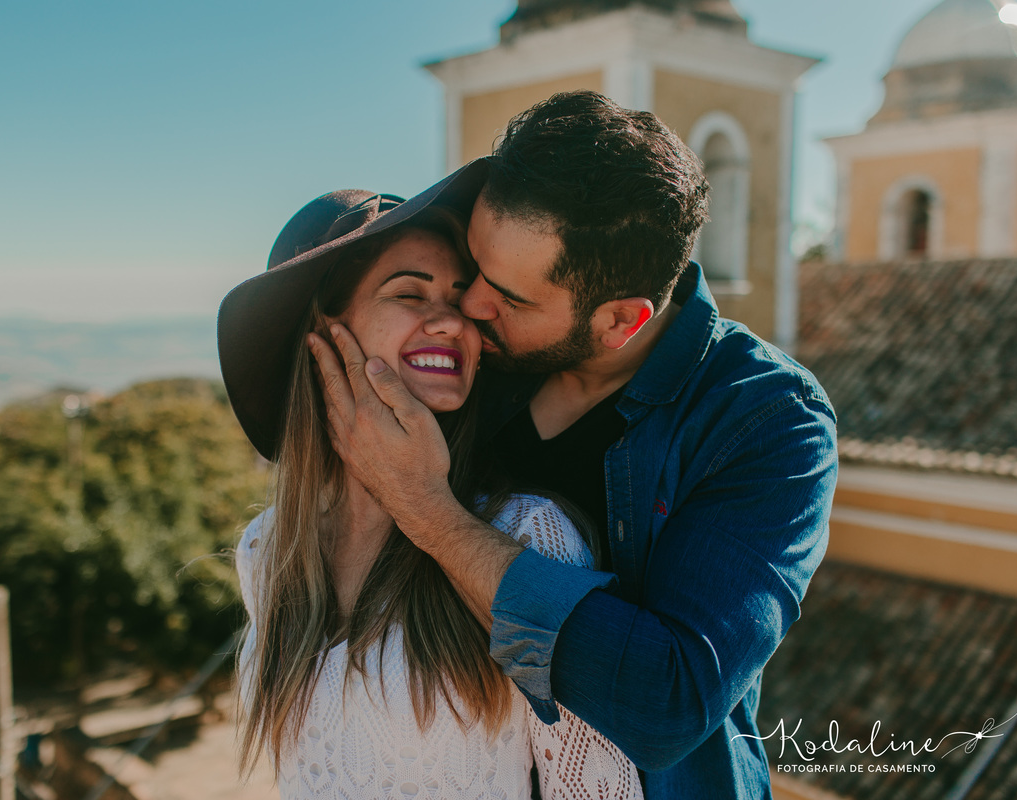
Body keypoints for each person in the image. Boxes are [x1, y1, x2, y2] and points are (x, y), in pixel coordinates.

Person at [309, 90, 839, 800]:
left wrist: (428, 510)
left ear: (621, 319)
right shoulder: (483, 360)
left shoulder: (766, 419)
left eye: (509, 296)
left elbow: (667, 703)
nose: (469, 307)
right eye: (474, 268)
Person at [217, 186, 642, 798]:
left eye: (461, 302)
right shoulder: (269, 549)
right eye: (410, 294)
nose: (451, 322)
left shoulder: (527, 536)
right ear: (322, 332)